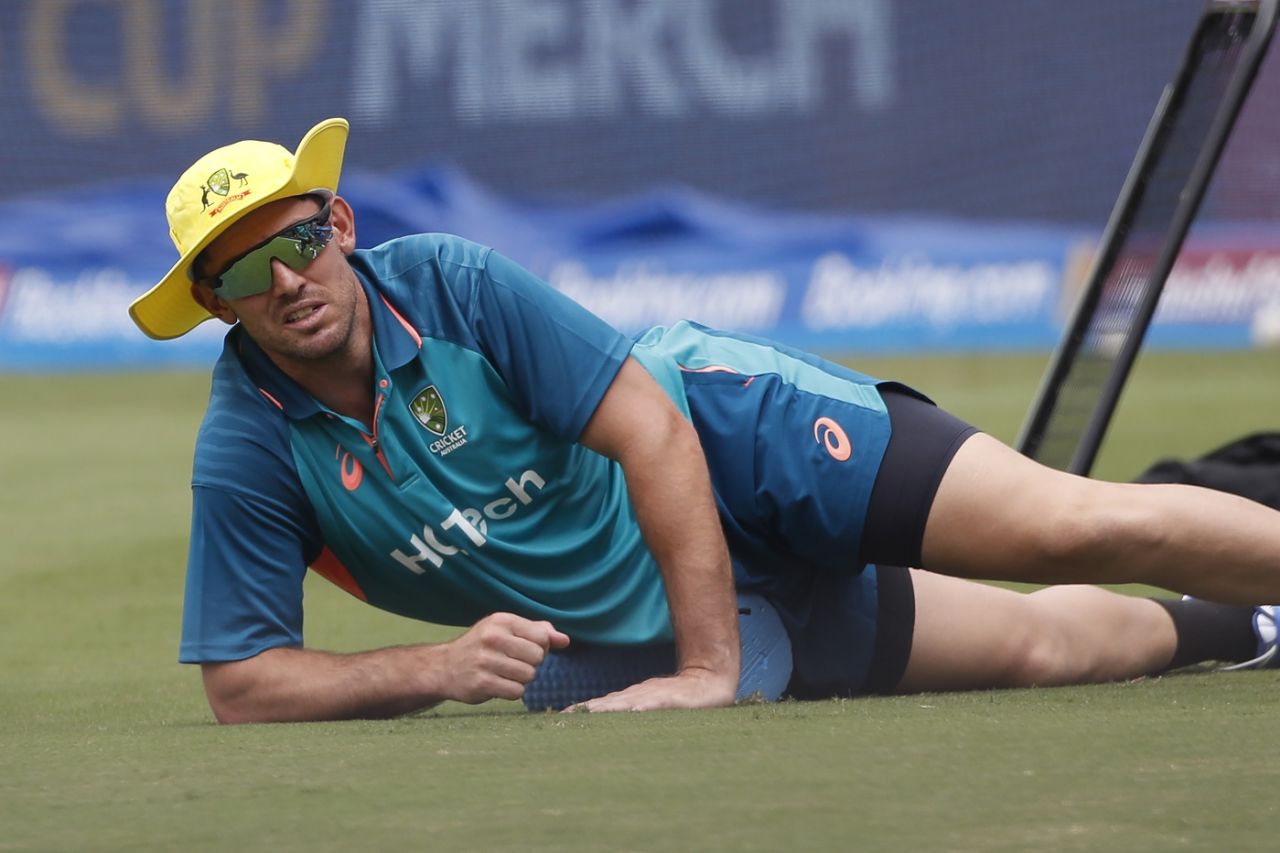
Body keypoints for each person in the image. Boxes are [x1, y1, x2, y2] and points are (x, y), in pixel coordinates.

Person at [130, 118, 1279, 724]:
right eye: (243, 273)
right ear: (215, 307)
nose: (286, 281)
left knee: (1071, 528)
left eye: (296, 241)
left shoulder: (450, 283)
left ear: (338, 224)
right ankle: (1252, 625)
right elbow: (242, 684)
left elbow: (651, 429)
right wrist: (436, 663)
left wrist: (707, 669)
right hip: (663, 606)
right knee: (1042, 650)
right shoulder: (247, 448)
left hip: (735, 439)